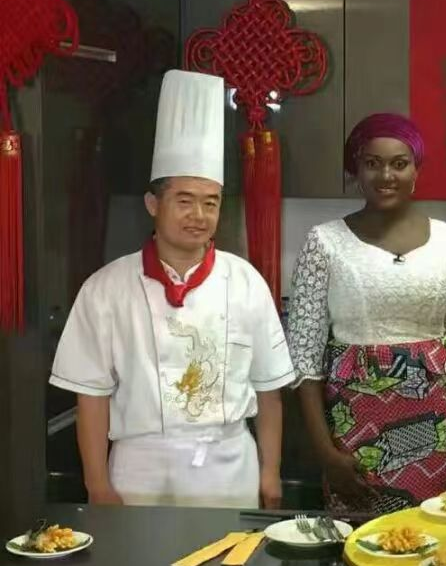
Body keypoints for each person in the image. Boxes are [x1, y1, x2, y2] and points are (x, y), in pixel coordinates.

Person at [50, 70, 293, 508]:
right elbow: (91, 396)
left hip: (229, 468)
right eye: (184, 201)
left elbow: (269, 391)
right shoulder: (106, 289)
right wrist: (97, 485)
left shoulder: (246, 282)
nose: (198, 215)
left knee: (230, 556)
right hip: (138, 473)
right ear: (153, 204)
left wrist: (270, 473)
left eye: (210, 202)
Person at [288, 113, 446, 516]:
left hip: (443, 426)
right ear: (356, 171)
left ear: (416, 170)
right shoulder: (324, 242)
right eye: (372, 163)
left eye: (399, 163)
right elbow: (304, 362)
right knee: (360, 540)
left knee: (437, 538)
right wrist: (326, 454)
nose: (386, 175)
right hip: (353, 431)